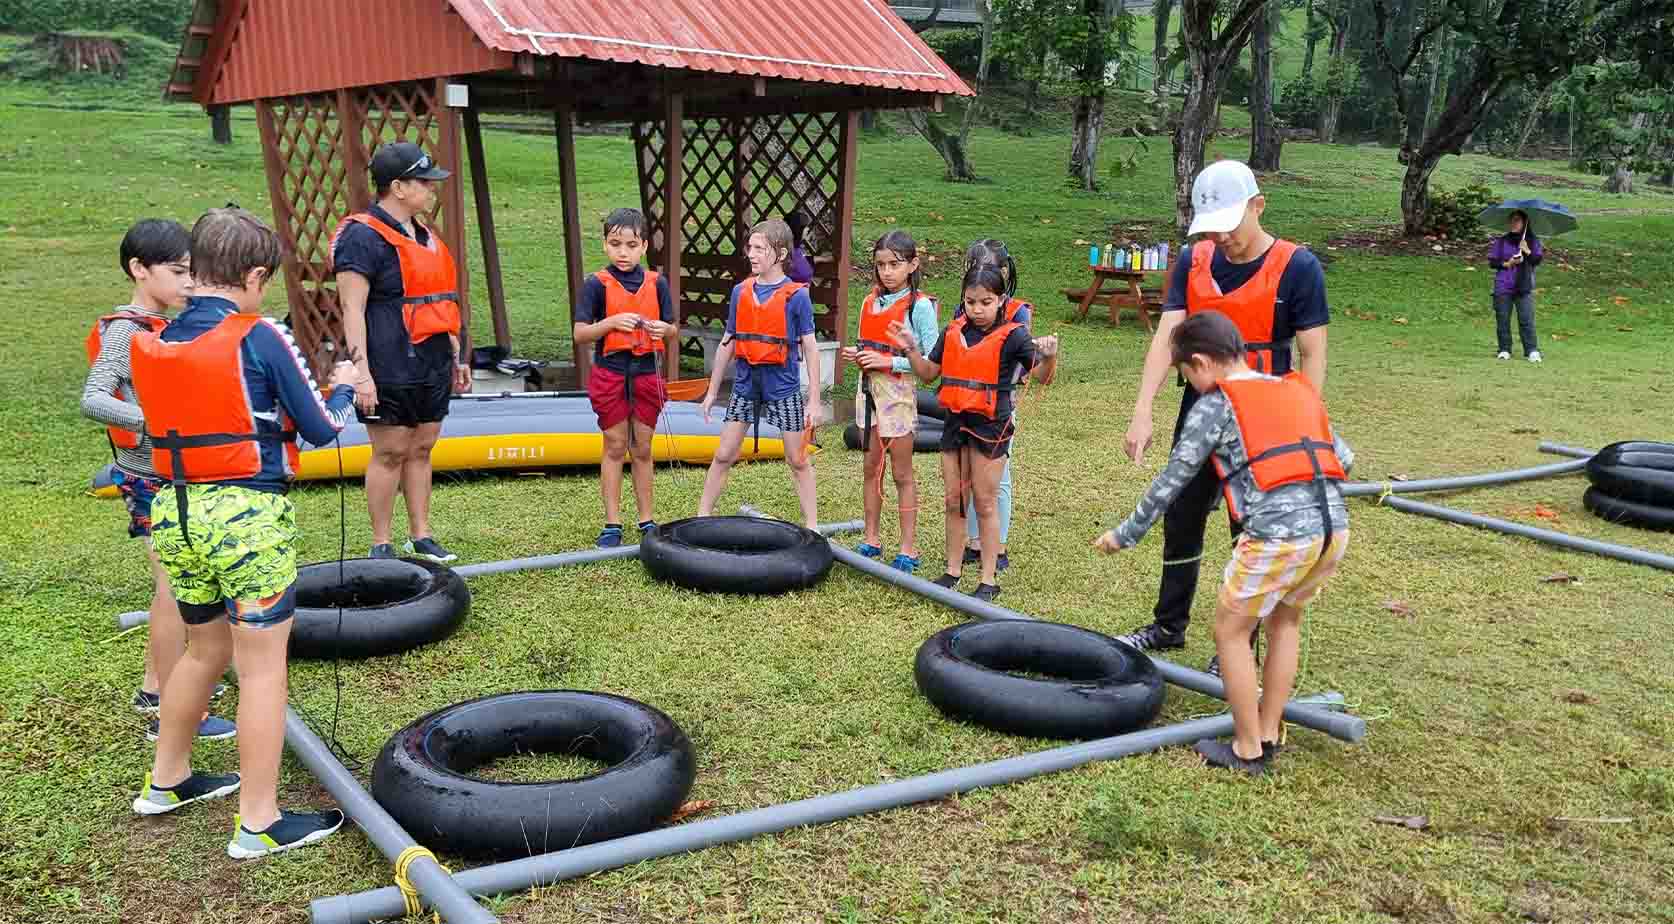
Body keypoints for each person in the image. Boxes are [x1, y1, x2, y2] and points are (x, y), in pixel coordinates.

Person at [128, 207, 357, 857]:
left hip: (173, 513)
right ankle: (259, 822)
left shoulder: (153, 338)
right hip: (245, 520)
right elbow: (321, 429)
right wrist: (343, 388)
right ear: (255, 275)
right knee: (262, 670)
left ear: (197, 268)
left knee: (204, 651)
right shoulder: (262, 335)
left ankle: (167, 780)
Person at [1096, 311, 1350, 775]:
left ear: (1200, 363)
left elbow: (1173, 480)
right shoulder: (1291, 387)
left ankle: (1248, 748)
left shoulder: (1215, 404)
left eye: (1185, 374)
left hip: (1276, 534)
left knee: (1231, 632)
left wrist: (1124, 533)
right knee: (1284, 622)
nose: (1191, 383)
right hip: (1332, 529)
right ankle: (1269, 730)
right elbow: (1343, 457)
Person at [1118, 159, 1329, 674]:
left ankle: (1238, 645)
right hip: (1201, 414)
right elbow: (1168, 337)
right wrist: (1142, 409)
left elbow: (1313, 356)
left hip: (1263, 425)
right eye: (1213, 228)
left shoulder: (1298, 268)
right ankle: (1168, 625)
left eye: (1231, 225)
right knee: (1181, 516)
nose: (1223, 238)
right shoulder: (1193, 260)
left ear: (1259, 206)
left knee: (1253, 534)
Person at [80, 219, 233, 741]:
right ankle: (172, 703)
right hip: (150, 477)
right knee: (172, 588)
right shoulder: (128, 329)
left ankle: (156, 686)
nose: (189, 283)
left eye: (193, 272)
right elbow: (93, 396)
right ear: (138, 270)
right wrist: (155, 422)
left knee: (173, 586)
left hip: (173, 473)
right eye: (177, 272)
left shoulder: (167, 322)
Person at [331, 141, 470, 563]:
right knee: (390, 449)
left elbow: (436, 300)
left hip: (431, 359)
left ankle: (421, 535)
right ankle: (381, 543)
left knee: (423, 445)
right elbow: (351, 309)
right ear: (397, 187)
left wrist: (456, 354)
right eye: (424, 182)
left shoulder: (424, 234)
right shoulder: (361, 237)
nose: (431, 190)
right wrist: (363, 373)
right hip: (388, 362)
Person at [892, 264, 1059, 601]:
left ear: (1000, 300)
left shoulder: (1015, 336)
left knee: (984, 502)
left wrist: (1050, 357)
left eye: (986, 302)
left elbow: (1043, 377)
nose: (977, 309)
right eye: (971, 302)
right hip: (956, 422)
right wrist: (911, 348)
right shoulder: (952, 331)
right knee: (954, 499)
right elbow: (927, 374)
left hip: (990, 426)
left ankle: (988, 578)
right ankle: (953, 570)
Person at [697, 219, 823, 528]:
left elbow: (810, 347)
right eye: (749, 248)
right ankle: (701, 516)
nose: (751, 254)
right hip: (745, 385)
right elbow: (728, 342)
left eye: (759, 249)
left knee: (797, 459)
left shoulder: (798, 296)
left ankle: (813, 525)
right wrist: (712, 392)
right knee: (724, 453)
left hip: (783, 386)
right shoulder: (741, 292)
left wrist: (815, 401)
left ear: (780, 254)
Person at [574, 208, 676, 547]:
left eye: (631, 245)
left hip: (647, 372)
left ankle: (646, 519)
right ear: (605, 245)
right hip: (611, 372)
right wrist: (613, 323)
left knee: (643, 448)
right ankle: (612, 523)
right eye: (616, 244)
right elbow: (580, 334)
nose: (623, 252)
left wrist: (665, 330)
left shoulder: (657, 283)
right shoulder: (595, 284)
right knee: (615, 445)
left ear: (644, 246)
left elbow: (672, 328)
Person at [841, 230, 939, 573]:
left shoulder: (920, 306)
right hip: (867, 391)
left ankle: (908, 548)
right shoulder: (870, 301)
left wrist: (888, 362)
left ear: (912, 265)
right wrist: (861, 356)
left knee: (901, 471)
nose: (886, 271)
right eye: (881, 265)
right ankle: (871, 538)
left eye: (894, 265)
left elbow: (931, 360)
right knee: (871, 467)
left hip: (898, 394)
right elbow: (869, 343)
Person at [955, 239, 1048, 573]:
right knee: (969, 476)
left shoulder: (1016, 312)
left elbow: (1025, 357)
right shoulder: (963, 308)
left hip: (1001, 403)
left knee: (998, 477)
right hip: (967, 403)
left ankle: (999, 544)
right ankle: (974, 541)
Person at [1489, 210, 1543, 362]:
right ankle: (1504, 349)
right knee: (1503, 319)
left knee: (1526, 319)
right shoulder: (1502, 241)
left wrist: (1527, 250)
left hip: (1523, 286)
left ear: (1524, 223)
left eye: (1517, 220)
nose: (1513, 223)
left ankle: (1531, 350)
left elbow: (1536, 260)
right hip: (1503, 285)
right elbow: (1493, 262)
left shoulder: (1532, 241)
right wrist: (1508, 263)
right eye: (1511, 220)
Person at [785, 210, 815, 284]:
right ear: (797, 229)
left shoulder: (796, 249)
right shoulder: (785, 252)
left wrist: (820, 259)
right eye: (805, 226)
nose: (808, 229)